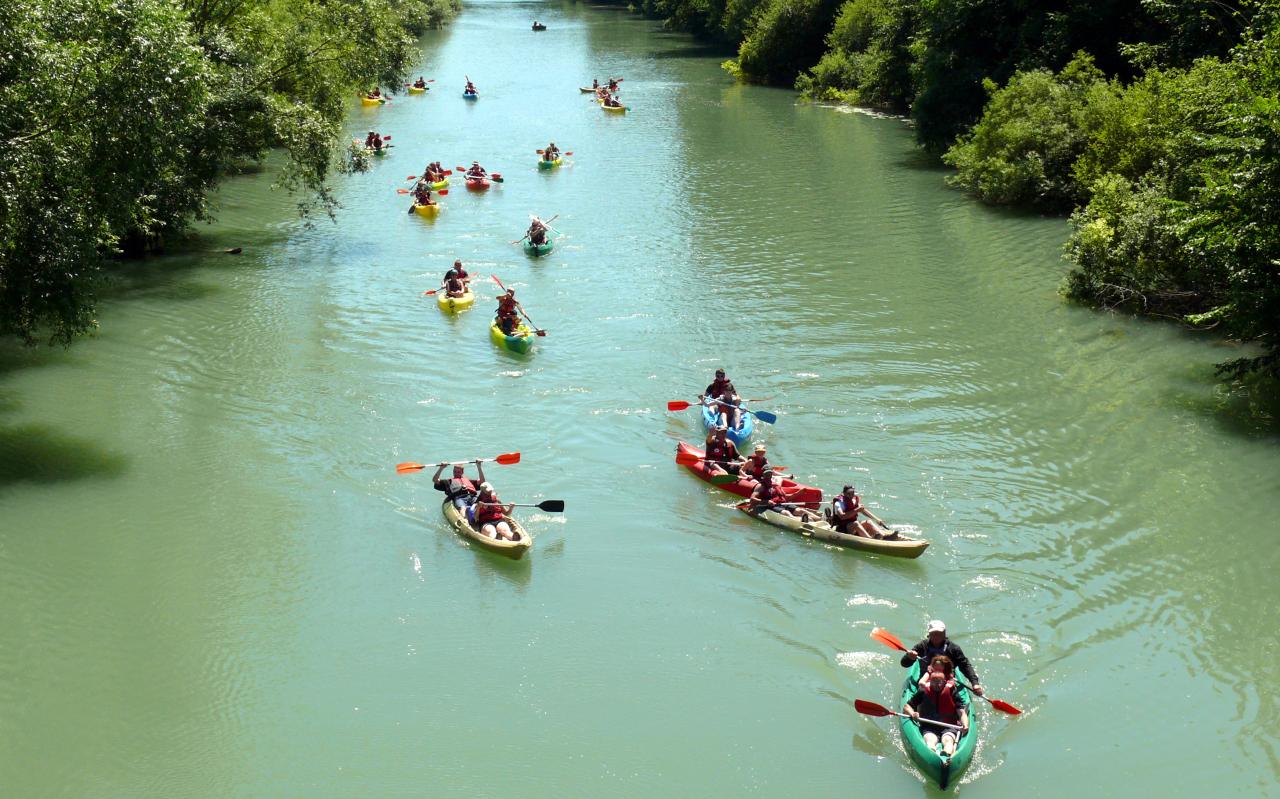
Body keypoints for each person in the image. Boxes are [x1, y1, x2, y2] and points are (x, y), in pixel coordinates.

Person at [903, 655, 970, 758]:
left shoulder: (951, 690)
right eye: (934, 682)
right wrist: (913, 713)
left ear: (944, 682)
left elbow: (961, 711)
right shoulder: (924, 690)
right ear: (930, 681)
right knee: (930, 739)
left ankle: (947, 755)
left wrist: (965, 724)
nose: (937, 685)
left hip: (949, 725)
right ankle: (931, 754)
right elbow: (907, 707)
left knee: (947, 740)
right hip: (929, 725)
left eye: (939, 682)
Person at [900, 620, 985, 695]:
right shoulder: (922, 646)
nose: (936, 636)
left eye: (939, 633)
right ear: (929, 634)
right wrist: (910, 657)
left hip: (947, 681)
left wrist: (975, 683)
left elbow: (965, 665)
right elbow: (904, 664)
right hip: (926, 681)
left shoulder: (953, 648)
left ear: (944, 634)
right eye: (933, 633)